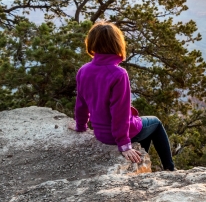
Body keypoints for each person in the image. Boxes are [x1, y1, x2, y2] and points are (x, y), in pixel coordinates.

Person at [68, 21, 175, 171]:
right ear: (117, 44)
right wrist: (124, 145)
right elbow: (120, 113)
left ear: (92, 43)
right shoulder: (118, 74)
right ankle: (170, 169)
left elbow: (81, 103)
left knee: (145, 125)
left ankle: (141, 160)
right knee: (155, 123)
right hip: (116, 136)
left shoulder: (84, 70)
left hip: (100, 134)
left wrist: (80, 126)